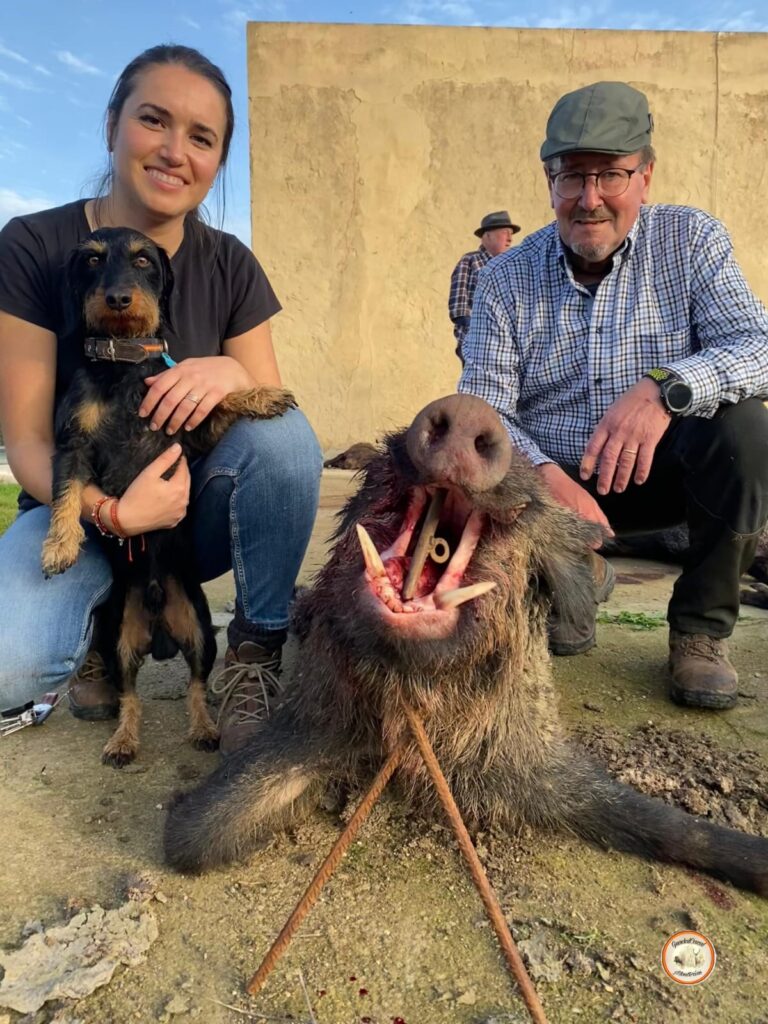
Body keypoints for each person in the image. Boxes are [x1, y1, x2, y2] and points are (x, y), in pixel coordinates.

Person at [0, 44, 323, 755]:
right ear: (112, 124)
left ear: (218, 159)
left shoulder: (230, 262)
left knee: (288, 441)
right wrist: (111, 514)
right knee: (8, 664)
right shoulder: (32, 244)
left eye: (202, 137)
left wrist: (228, 374)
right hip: (72, 508)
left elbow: (275, 413)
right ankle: (95, 632)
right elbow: (26, 441)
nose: (176, 151)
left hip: (184, 520)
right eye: (154, 120)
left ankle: (253, 651)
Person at [459, 81, 768, 710]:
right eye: (572, 176)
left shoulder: (691, 241)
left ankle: (700, 632)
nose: (590, 198)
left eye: (611, 175)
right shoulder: (505, 278)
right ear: (549, 182)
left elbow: (757, 347)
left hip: (663, 478)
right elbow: (484, 408)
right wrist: (545, 476)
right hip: (549, 491)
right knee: (558, 630)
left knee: (747, 429)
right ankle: (571, 572)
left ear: (645, 176)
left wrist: (664, 389)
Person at [448, 210, 520, 361]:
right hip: (475, 345)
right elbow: (458, 308)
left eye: (511, 234)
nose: (510, 239)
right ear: (487, 236)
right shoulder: (470, 261)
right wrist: (482, 330)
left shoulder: (510, 269)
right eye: (505, 232)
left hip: (505, 348)